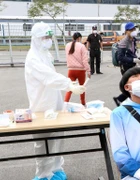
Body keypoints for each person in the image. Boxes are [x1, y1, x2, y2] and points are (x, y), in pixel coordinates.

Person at [25, 22, 86, 180]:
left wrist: (68, 85)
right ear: (36, 39)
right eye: (45, 37)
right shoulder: (33, 58)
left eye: (49, 36)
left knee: (58, 138)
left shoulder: (46, 54)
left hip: (54, 102)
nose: (48, 40)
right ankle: (43, 174)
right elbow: (48, 77)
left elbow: (51, 76)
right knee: (42, 142)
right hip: (41, 105)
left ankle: (56, 168)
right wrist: (69, 84)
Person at [112, 22, 140, 106]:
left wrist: (138, 60)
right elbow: (120, 57)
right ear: (127, 31)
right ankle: (121, 99)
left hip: (131, 65)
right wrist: (133, 60)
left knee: (134, 84)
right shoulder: (124, 41)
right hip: (125, 66)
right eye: (131, 30)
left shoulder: (133, 40)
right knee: (132, 85)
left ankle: (123, 100)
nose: (134, 31)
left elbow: (132, 53)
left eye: (134, 29)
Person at [64, 32, 91, 106]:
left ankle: (65, 103)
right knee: (82, 87)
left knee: (70, 88)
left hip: (71, 70)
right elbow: (85, 61)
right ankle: (83, 103)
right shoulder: (82, 46)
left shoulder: (67, 45)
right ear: (79, 38)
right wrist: (88, 71)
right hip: (80, 70)